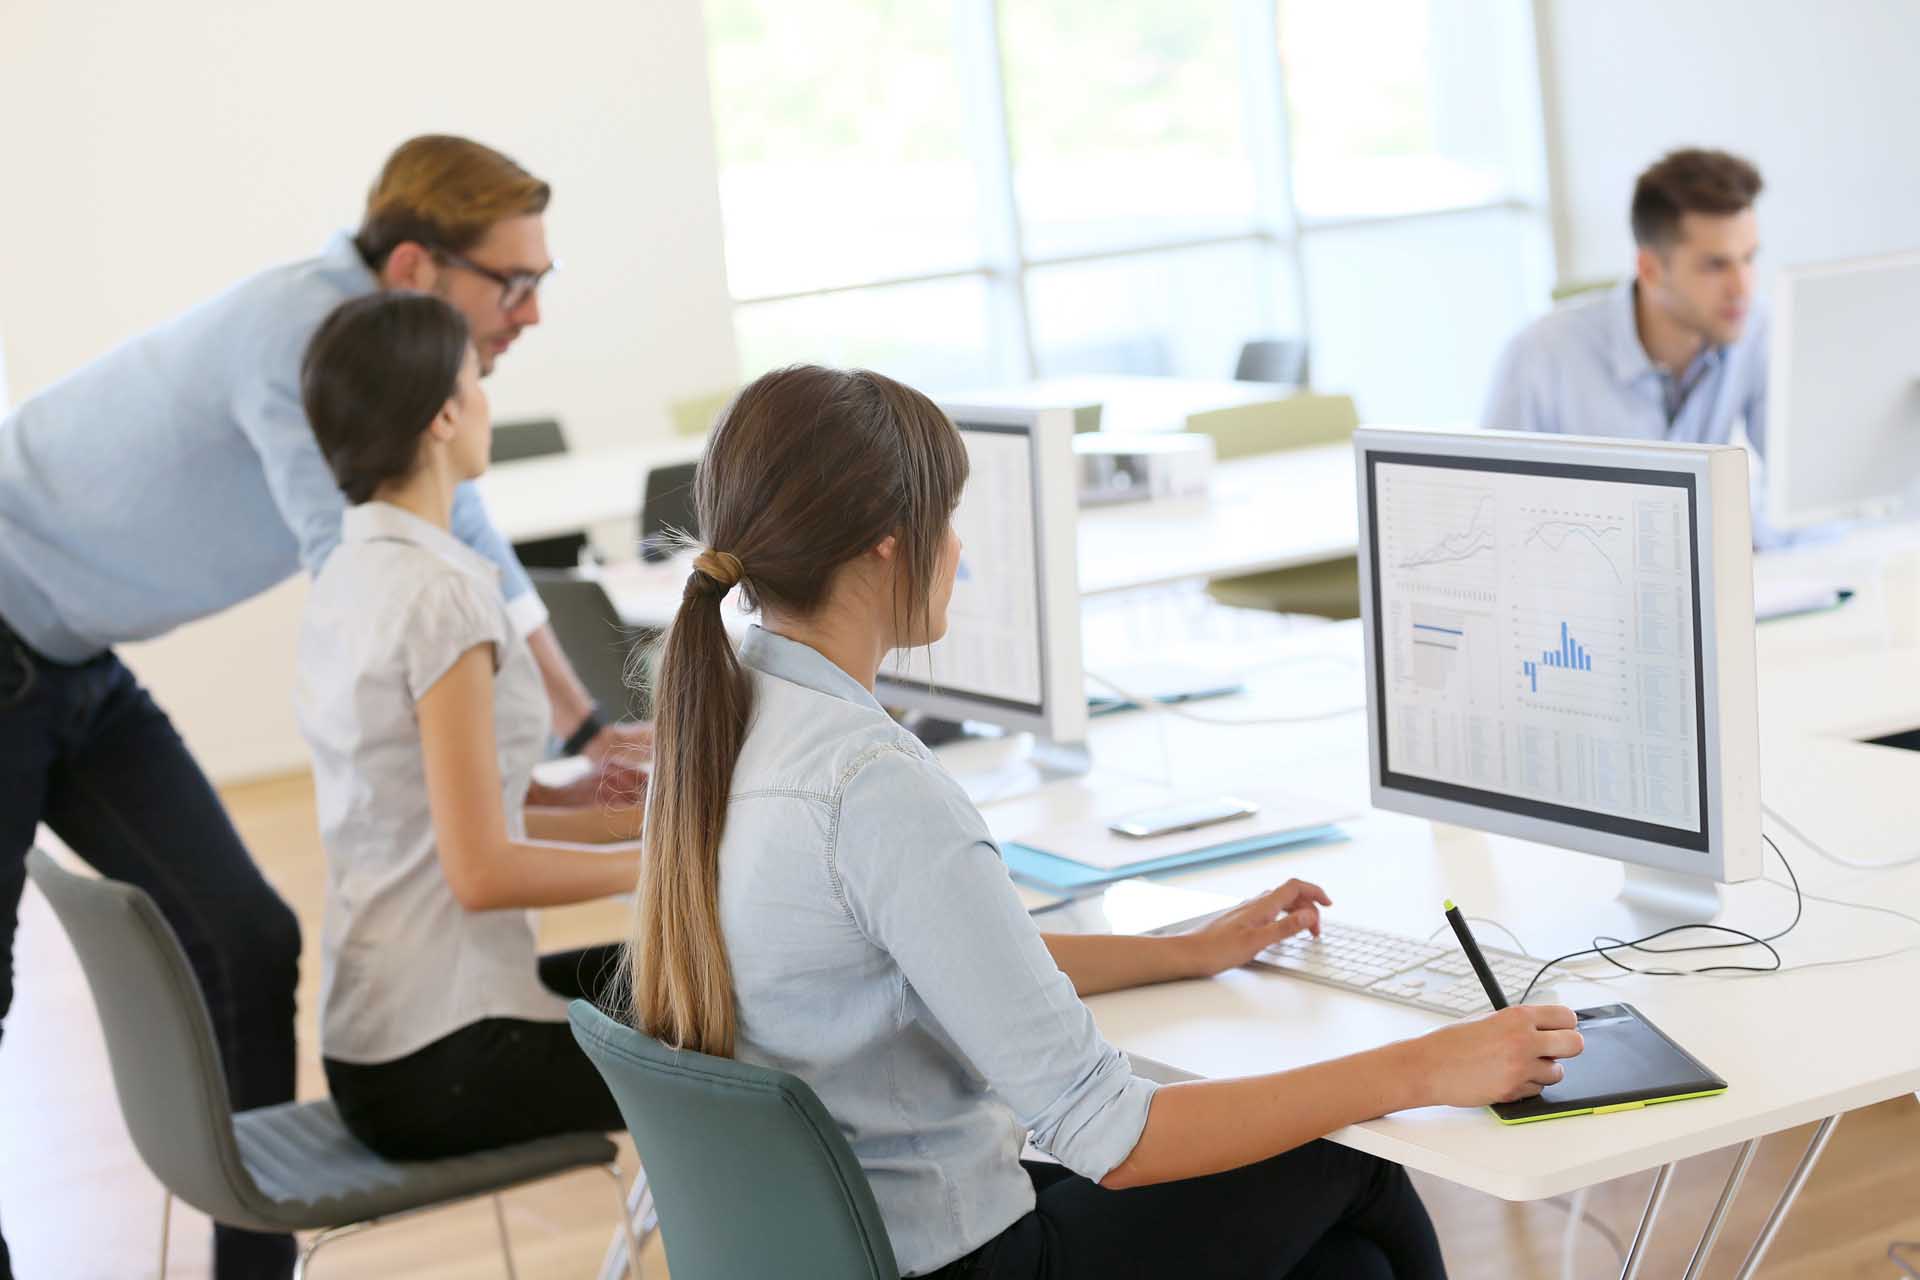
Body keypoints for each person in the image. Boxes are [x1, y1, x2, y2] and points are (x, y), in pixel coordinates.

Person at [626, 364, 1585, 1279]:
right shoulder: (873, 782)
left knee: (1345, 1268)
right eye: (947, 519)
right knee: (1347, 1157)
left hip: (851, 1250)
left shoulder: (730, 716)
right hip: (963, 1262)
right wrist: (1424, 1064)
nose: (958, 550)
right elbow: (1112, 1136)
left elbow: (933, 962)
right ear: (887, 541)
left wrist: (1183, 951)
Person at [0, 135, 642, 1278]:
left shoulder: (386, 361)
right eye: (517, 282)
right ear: (413, 268)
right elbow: (386, 557)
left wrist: (580, 730)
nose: (531, 314)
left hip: (73, 654)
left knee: (246, 934)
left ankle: (248, 1264)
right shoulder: (303, 338)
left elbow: (460, 531)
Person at [296, 292, 638, 1156]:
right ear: (445, 414)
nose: (487, 398)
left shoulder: (351, 574)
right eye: (477, 379)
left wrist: (670, 816)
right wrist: (667, 862)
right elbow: (481, 870)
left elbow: (486, 806)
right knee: (753, 1028)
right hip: (444, 1060)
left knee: (701, 988)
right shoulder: (442, 595)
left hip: (383, 1042)